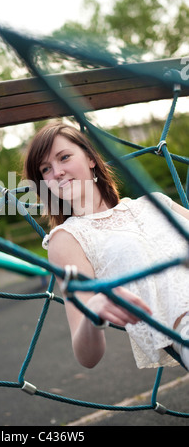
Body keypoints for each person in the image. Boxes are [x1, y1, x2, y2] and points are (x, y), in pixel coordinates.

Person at [24, 121, 189, 370]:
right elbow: (86, 357)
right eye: (45, 169)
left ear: (91, 158)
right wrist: (93, 312)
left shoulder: (155, 202)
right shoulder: (67, 239)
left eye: (64, 157)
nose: (56, 172)